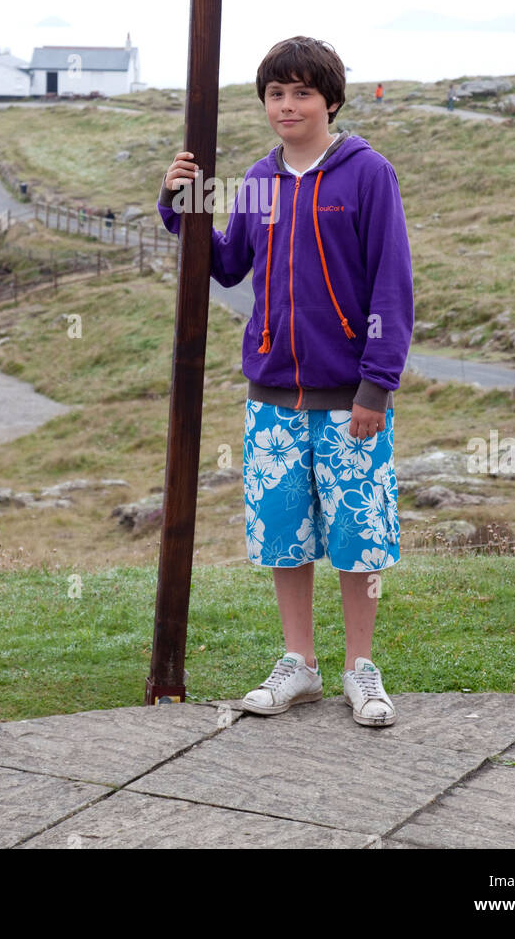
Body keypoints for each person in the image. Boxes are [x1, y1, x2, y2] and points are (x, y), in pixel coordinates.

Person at [156, 36, 413, 728]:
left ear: (331, 99)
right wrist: (180, 201)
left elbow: (392, 286)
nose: (288, 105)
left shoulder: (368, 174)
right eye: (276, 93)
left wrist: (376, 387)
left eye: (302, 92)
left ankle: (362, 669)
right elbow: (227, 261)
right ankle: (298, 664)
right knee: (285, 538)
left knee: (359, 542)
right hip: (271, 398)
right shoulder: (259, 180)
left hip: (350, 400)